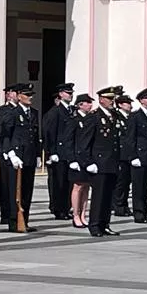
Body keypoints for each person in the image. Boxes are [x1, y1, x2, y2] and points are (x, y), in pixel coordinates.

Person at [78, 87, 121, 237]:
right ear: (101, 99)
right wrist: (88, 162)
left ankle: (105, 224)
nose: (112, 102)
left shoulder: (114, 116)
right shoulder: (93, 117)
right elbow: (84, 142)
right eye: (109, 99)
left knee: (108, 196)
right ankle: (95, 224)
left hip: (112, 162)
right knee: (99, 196)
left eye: (113, 99)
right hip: (99, 163)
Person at [0, 83, 42, 232]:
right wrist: (10, 153)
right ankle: (14, 221)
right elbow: (5, 135)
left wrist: (38, 154)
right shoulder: (11, 113)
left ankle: (25, 220)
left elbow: (35, 136)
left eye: (31, 95)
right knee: (15, 191)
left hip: (29, 156)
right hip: (17, 157)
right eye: (26, 95)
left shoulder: (34, 113)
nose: (30, 97)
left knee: (27, 190)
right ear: (18, 97)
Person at [42, 83, 75, 221]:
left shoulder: (71, 111)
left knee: (68, 183)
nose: (70, 95)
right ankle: (59, 209)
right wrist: (51, 152)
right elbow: (49, 132)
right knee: (59, 183)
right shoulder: (55, 112)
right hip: (59, 153)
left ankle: (66, 207)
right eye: (68, 93)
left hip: (69, 152)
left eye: (71, 93)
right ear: (61, 94)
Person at [126, 88, 147, 224]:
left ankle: (145, 212)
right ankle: (138, 214)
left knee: (145, 187)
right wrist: (133, 156)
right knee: (138, 188)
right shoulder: (135, 116)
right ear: (141, 100)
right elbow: (130, 138)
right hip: (139, 156)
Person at [67, 94, 94, 228]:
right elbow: (68, 140)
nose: (90, 105)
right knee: (77, 187)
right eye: (87, 103)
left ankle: (83, 214)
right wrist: (71, 159)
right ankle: (75, 215)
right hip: (77, 158)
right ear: (80, 105)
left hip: (88, 158)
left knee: (86, 187)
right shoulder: (74, 120)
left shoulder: (91, 119)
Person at [0, 83, 20, 226]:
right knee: (7, 185)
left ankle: (15, 213)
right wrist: (5, 150)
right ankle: (7, 214)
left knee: (17, 186)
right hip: (6, 153)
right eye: (15, 92)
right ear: (8, 94)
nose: (17, 95)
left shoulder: (22, 111)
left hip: (19, 154)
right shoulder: (3, 110)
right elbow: (0, 131)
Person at [112, 92, 134, 217]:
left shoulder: (130, 117)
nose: (130, 105)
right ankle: (118, 206)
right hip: (120, 155)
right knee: (120, 183)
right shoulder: (116, 116)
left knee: (127, 182)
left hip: (128, 155)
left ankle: (124, 204)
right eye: (127, 103)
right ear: (120, 105)